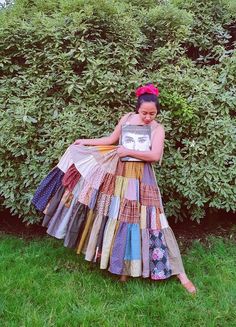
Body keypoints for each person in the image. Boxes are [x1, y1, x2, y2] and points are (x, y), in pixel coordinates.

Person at [32, 83, 196, 294]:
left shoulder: (157, 129)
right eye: (144, 113)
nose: (147, 117)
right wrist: (86, 142)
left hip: (142, 178)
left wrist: (128, 150)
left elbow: (154, 156)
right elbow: (110, 140)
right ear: (137, 108)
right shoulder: (127, 119)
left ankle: (178, 271)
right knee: (121, 216)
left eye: (152, 114)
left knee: (153, 219)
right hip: (119, 176)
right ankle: (123, 267)